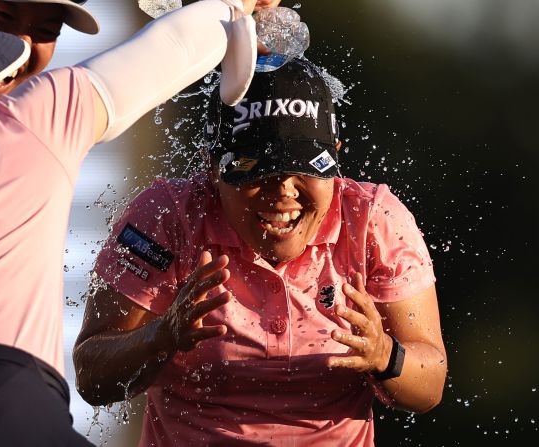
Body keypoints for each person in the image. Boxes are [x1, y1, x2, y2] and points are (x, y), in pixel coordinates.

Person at [0, 0, 259, 445]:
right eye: (0, 18)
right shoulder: (21, 128)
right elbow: (175, 45)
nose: (22, 45)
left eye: (47, 28)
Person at [74, 58, 448, 446]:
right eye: (256, 169)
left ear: (335, 155)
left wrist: (385, 354)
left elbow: (430, 385)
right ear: (212, 167)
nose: (284, 190)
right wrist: (161, 337)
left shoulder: (374, 219)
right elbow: (91, 377)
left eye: (306, 167)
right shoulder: (169, 217)